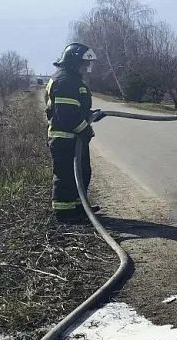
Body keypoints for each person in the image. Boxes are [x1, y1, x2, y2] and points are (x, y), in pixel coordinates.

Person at [45, 42, 105, 223]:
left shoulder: (71, 80)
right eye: (84, 64)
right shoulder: (66, 82)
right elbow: (66, 116)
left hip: (73, 138)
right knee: (66, 176)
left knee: (82, 172)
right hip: (64, 139)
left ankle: (79, 207)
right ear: (74, 62)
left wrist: (90, 115)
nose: (87, 68)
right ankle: (64, 213)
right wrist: (85, 130)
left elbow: (74, 109)